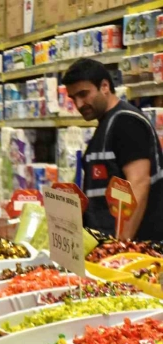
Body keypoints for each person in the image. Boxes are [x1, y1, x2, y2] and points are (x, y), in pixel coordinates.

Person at [63, 58, 163, 240]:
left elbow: (139, 182)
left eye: (83, 94)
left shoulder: (125, 122)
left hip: (136, 249)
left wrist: (121, 246)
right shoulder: (108, 124)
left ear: (104, 86)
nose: (79, 104)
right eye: (73, 98)